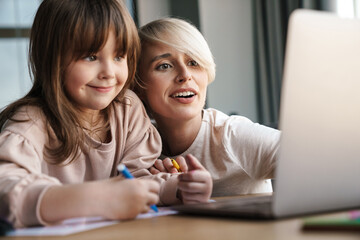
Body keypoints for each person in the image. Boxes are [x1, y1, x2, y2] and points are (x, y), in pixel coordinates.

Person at [0, 1, 211, 228]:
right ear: (53, 58)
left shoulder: (127, 109)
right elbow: (6, 194)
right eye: (91, 57)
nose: (109, 73)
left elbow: (138, 180)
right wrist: (95, 199)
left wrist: (177, 187)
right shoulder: (31, 122)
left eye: (119, 56)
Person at [133, 18, 281, 197]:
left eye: (193, 62)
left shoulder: (232, 136)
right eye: (164, 66)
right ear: (138, 85)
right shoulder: (137, 150)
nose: (185, 75)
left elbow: (315, 162)